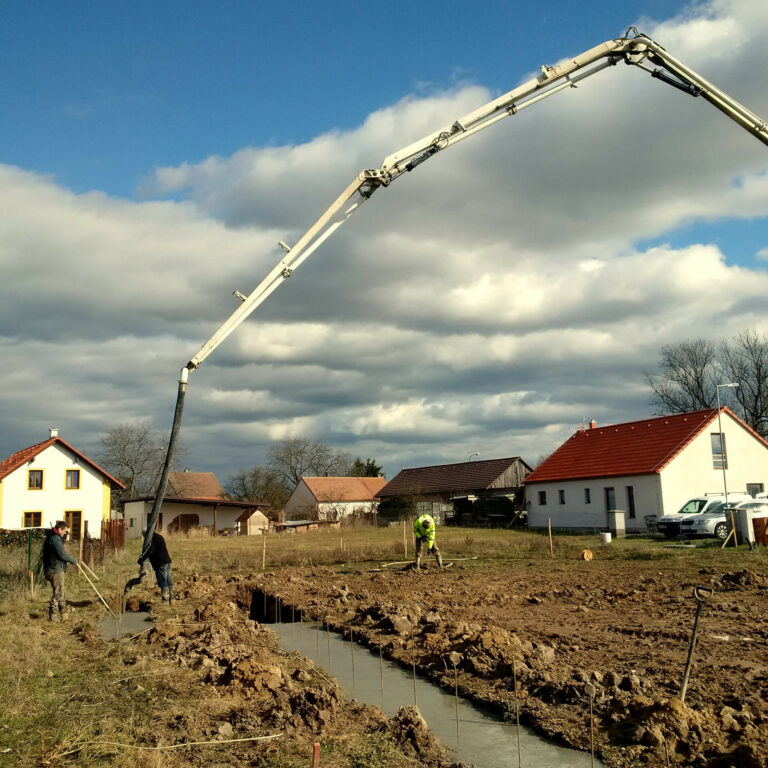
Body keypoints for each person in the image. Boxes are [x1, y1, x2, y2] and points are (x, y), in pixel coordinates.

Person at [43, 521, 78, 621]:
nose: (65, 533)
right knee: (58, 593)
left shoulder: (50, 537)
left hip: (52, 568)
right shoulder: (56, 539)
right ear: (60, 529)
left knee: (61, 592)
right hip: (55, 569)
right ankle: (53, 615)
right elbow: (62, 555)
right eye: (65, 531)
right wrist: (72, 560)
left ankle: (64, 615)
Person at [137, 528, 173, 603]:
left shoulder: (153, 539)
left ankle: (165, 601)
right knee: (168, 581)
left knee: (163, 581)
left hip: (161, 563)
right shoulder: (159, 537)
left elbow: (149, 551)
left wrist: (140, 559)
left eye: (145, 536)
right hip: (167, 562)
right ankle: (171, 599)